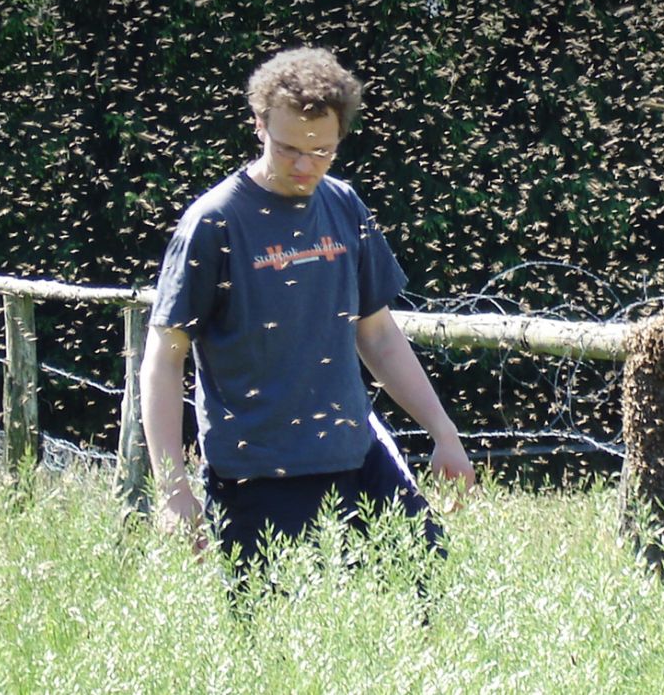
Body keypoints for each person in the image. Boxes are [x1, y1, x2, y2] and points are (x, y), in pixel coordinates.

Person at [141, 47, 475, 569]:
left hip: (356, 457)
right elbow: (164, 360)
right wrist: (172, 490)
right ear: (258, 124)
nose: (304, 165)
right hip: (256, 476)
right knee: (282, 620)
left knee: (432, 585)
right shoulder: (214, 222)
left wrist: (443, 432)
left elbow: (379, 336)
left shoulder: (343, 205)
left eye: (322, 151)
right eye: (288, 149)